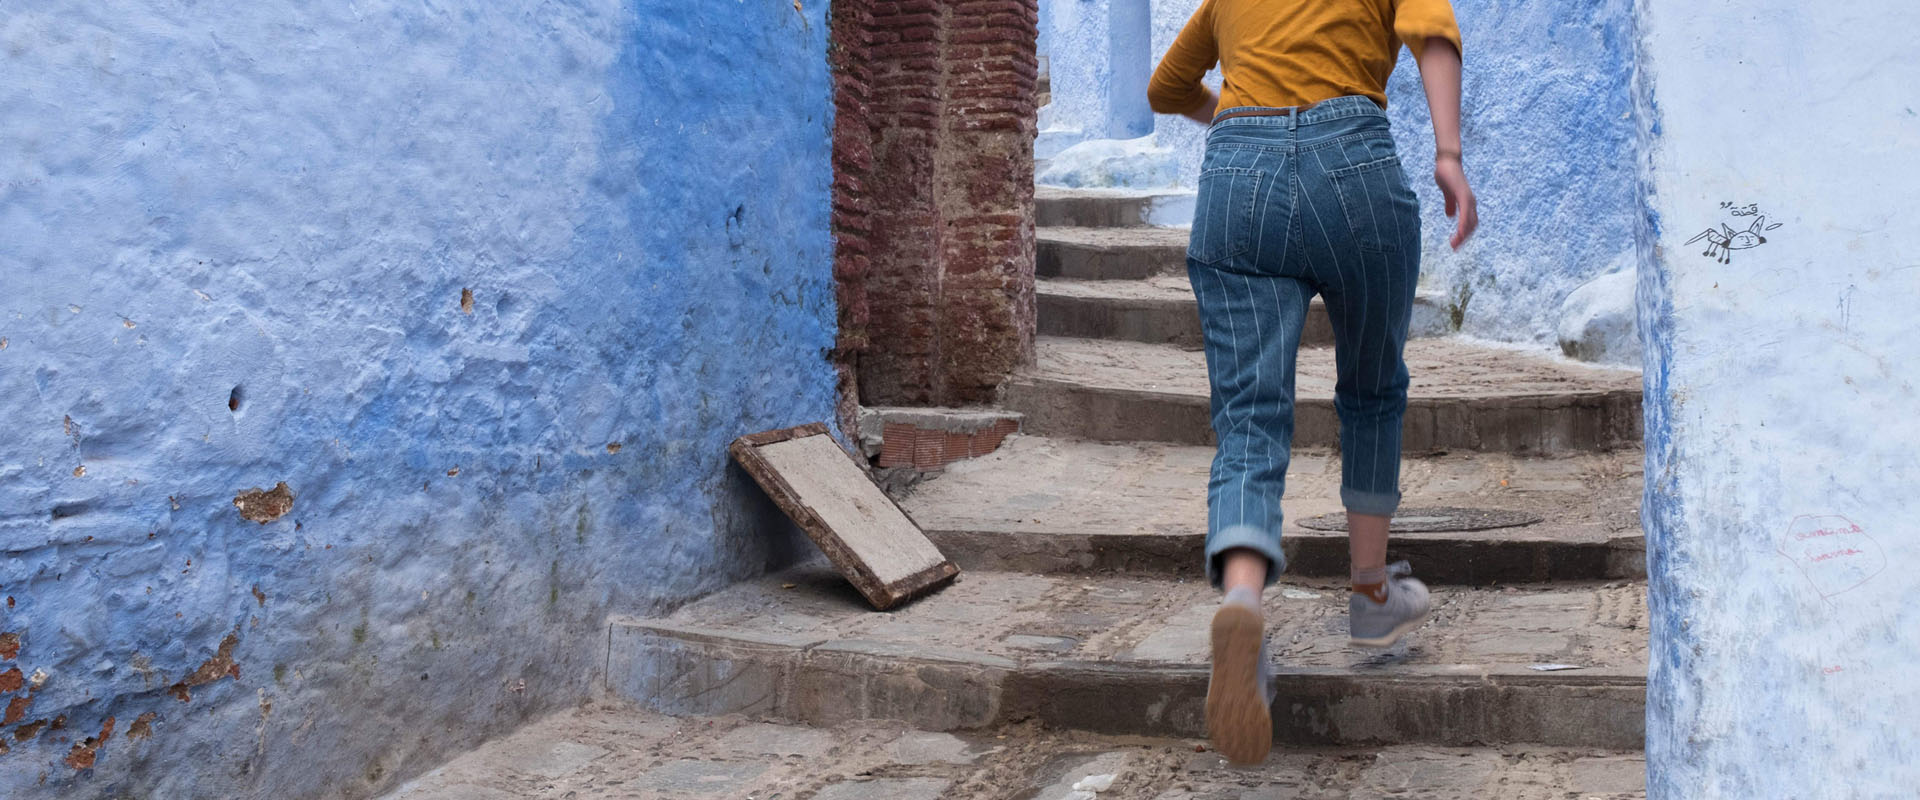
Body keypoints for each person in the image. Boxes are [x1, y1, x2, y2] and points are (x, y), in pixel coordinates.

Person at [1146, 0, 1479, 765]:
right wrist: (1449, 155)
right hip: (1353, 168)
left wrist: (1239, 125)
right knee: (1371, 390)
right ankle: (1370, 595)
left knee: (1248, 417)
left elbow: (1166, 87)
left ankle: (1240, 602)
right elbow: (1433, 34)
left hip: (1237, 179)